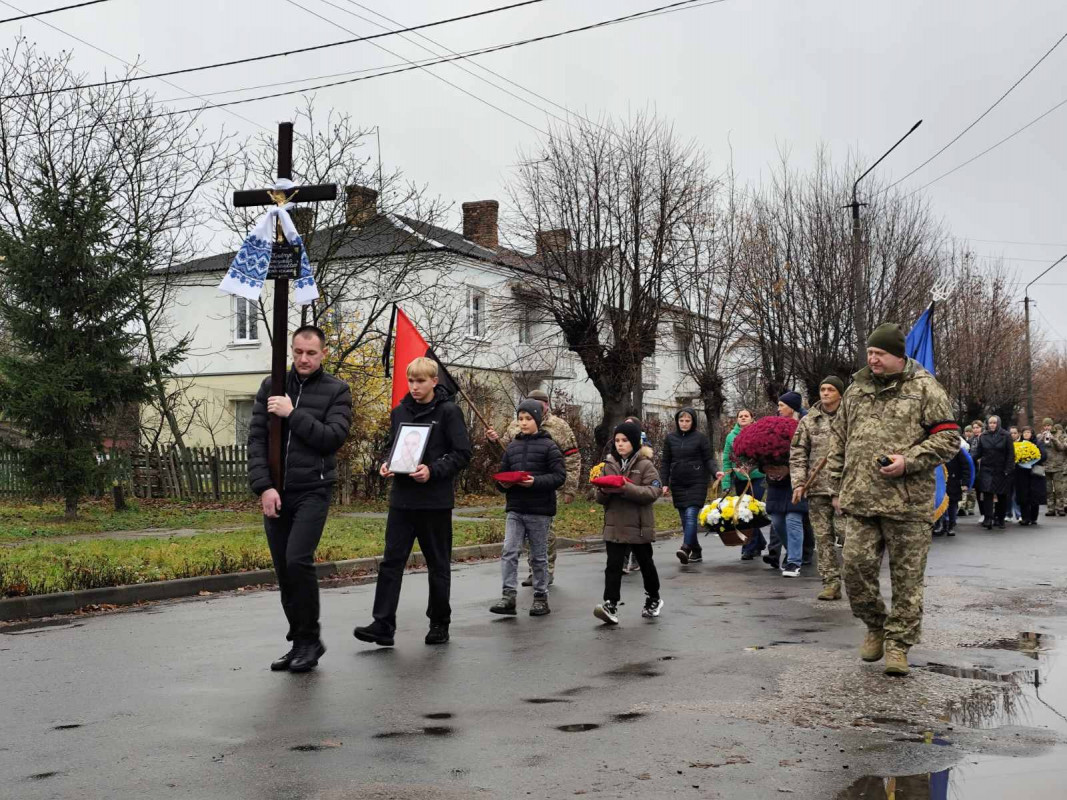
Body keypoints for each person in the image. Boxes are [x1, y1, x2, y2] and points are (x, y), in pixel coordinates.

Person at [826, 322, 960, 676]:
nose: (872, 359)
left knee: (907, 580)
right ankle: (875, 624)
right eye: (869, 353)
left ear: (898, 356)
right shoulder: (855, 391)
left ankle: (899, 644)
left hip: (907, 503)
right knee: (854, 568)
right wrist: (837, 487)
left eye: (879, 353)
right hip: (860, 500)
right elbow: (838, 440)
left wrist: (908, 462)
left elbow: (948, 439)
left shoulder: (925, 388)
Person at [248, 325, 353, 673]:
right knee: (283, 571)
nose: (303, 359)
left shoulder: (337, 390)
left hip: (313, 490)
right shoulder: (271, 387)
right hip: (277, 493)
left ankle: (311, 640)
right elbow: (256, 442)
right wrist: (264, 487)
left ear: (323, 354)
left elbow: (331, 438)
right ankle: (298, 642)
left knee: (297, 561)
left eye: (311, 353)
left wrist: (292, 414)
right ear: (291, 352)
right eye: (298, 352)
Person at [354, 357, 472, 648]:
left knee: (438, 564)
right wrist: (386, 464)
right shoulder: (400, 412)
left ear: (434, 381)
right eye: (411, 381)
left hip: (434, 502)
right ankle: (383, 624)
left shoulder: (449, 412)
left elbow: (462, 453)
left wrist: (433, 470)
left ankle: (439, 623)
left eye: (421, 381)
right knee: (391, 563)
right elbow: (393, 448)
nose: (415, 387)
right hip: (403, 501)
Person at [487, 389, 580, 586]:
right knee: (518, 539)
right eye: (531, 402)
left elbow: (572, 458)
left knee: (546, 533)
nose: (524, 421)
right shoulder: (516, 424)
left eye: (540, 403)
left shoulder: (559, 427)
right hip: (519, 491)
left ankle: (546, 571)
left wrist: (569, 488)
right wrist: (494, 441)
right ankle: (532, 573)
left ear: (546, 405)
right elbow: (505, 451)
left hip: (545, 487)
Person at [489, 400, 566, 617]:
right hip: (515, 508)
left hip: (539, 510)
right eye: (520, 418)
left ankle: (541, 597)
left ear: (538, 421)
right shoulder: (512, 447)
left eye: (528, 419)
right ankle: (508, 596)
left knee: (538, 555)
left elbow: (559, 476)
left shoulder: (549, 446)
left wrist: (535, 482)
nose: (523, 423)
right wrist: (502, 483)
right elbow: (503, 473)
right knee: (509, 551)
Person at [593, 421, 663, 625]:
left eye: (624, 440)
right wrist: (603, 491)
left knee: (645, 563)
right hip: (614, 524)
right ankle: (610, 603)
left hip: (639, 525)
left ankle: (653, 598)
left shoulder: (645, 465)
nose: (620, 444)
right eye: (617, 441)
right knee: (613, 566)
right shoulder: (609, 465)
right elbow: (599, 497)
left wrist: (626, 488)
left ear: (634, 442)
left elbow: (653, 492)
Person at [790, 376, 845, 600]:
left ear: (840, 394)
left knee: (849, 536)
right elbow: (798, 453)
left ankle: (856, 581)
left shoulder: (850, 417)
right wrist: (799, 483)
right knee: (823, 538)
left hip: (845, 487)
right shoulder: (809, 420)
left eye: (831, 389)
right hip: (817, 487)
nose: (825, 393)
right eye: (822, 389)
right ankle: (831, 582)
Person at [661, 407, 716, 565]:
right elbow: (665, 462)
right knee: (685, 520)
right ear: (677, 422)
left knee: (691, 515)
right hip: (678, 483)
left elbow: (708, 459)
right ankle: (696, 550)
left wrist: (716, 472)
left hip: (697, 481)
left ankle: (686, 548)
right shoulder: (670, 438)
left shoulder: (700, 438)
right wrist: (664, 483)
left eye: (687, 420)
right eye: (681, 420)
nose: (684, 424)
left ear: (693, 422)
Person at [723, 409, 767, 561]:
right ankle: (758, 542)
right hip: (740, 478)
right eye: (740, 416)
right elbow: (727, 459)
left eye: (746, 416)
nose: (743, 418)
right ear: (737, 419)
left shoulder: (759, 432)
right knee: (743, 512)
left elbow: (765, 451)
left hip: (758, 477)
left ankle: (748, 547)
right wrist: (726, 482)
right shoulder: (731, 436)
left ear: (751, 418)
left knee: (751, 510)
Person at [972, 416, 1014, 531]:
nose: (992, 425)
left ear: (998, 423)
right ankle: (988, 518)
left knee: (1002, 495)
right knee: (987, 494)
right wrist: (968, 459)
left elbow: (1011, 454)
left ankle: (1000, 518)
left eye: (994, 423)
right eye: (990, 423)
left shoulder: (1006, 435)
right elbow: (978, 452)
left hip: (1001, 470)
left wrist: (1008, 470)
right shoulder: (984, 436)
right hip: (987, 469)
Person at [1015, 426, 1047, 526]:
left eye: (1028, 432)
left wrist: (1031, 459)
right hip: (1022, 473)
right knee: (1023, 495)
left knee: (1035, 496)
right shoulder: (1018, 444)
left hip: (1035, 473)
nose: (1026, 434)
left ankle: (1033, 518)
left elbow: (1043, 456)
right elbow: (1014, 455)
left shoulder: (1038, 443)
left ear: (1032, 433)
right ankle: (1025, 517)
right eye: (1024, 433)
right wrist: (1021, 459)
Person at [1040, 419, 1066, 516]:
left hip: (1057, 466)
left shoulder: (1059, 435)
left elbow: (1062, 448)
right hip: (1046, 466)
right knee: (1048, 489)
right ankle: (1051, 509)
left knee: (1059, 489)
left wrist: (1054, 439)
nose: (1047, 427)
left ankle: (1060, 508)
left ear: (1052, 425)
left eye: (1049, 425)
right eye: (1045, 426)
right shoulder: (1040, 435)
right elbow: (1036, 446)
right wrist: (1041, 438)